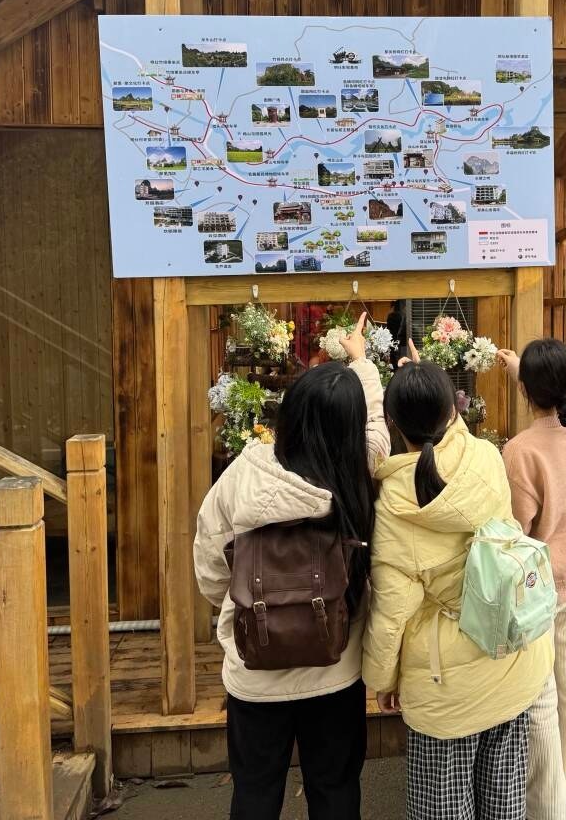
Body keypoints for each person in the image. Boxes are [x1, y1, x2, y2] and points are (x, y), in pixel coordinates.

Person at [194, 313, 389, 820]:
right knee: (335, 790)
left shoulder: (246, 472)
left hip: (255, 671)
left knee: (256, 794)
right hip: (335, 668)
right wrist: (362, 360)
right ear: (349, 426)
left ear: (291, 412)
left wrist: (247, 604)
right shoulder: (359, 472)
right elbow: (376, 427)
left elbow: (210, 563)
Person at [362, 359, 553, 820]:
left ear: (392, 423)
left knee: (443, 808)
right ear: (454, 411)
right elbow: (453, 433)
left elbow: (391, 612)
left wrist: (381, 681)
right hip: (511, 654)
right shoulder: (484, 456)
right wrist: (428, 384)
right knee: (504, 801)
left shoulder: (394, 504)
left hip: (446, 684)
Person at [497, 339, 566, 820]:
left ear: (524, 390)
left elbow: (516, 530)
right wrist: (523, 370)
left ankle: (549, 809)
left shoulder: (520, 451)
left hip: (539, 587)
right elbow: (562, 400)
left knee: (540, 696)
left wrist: (523, 374)